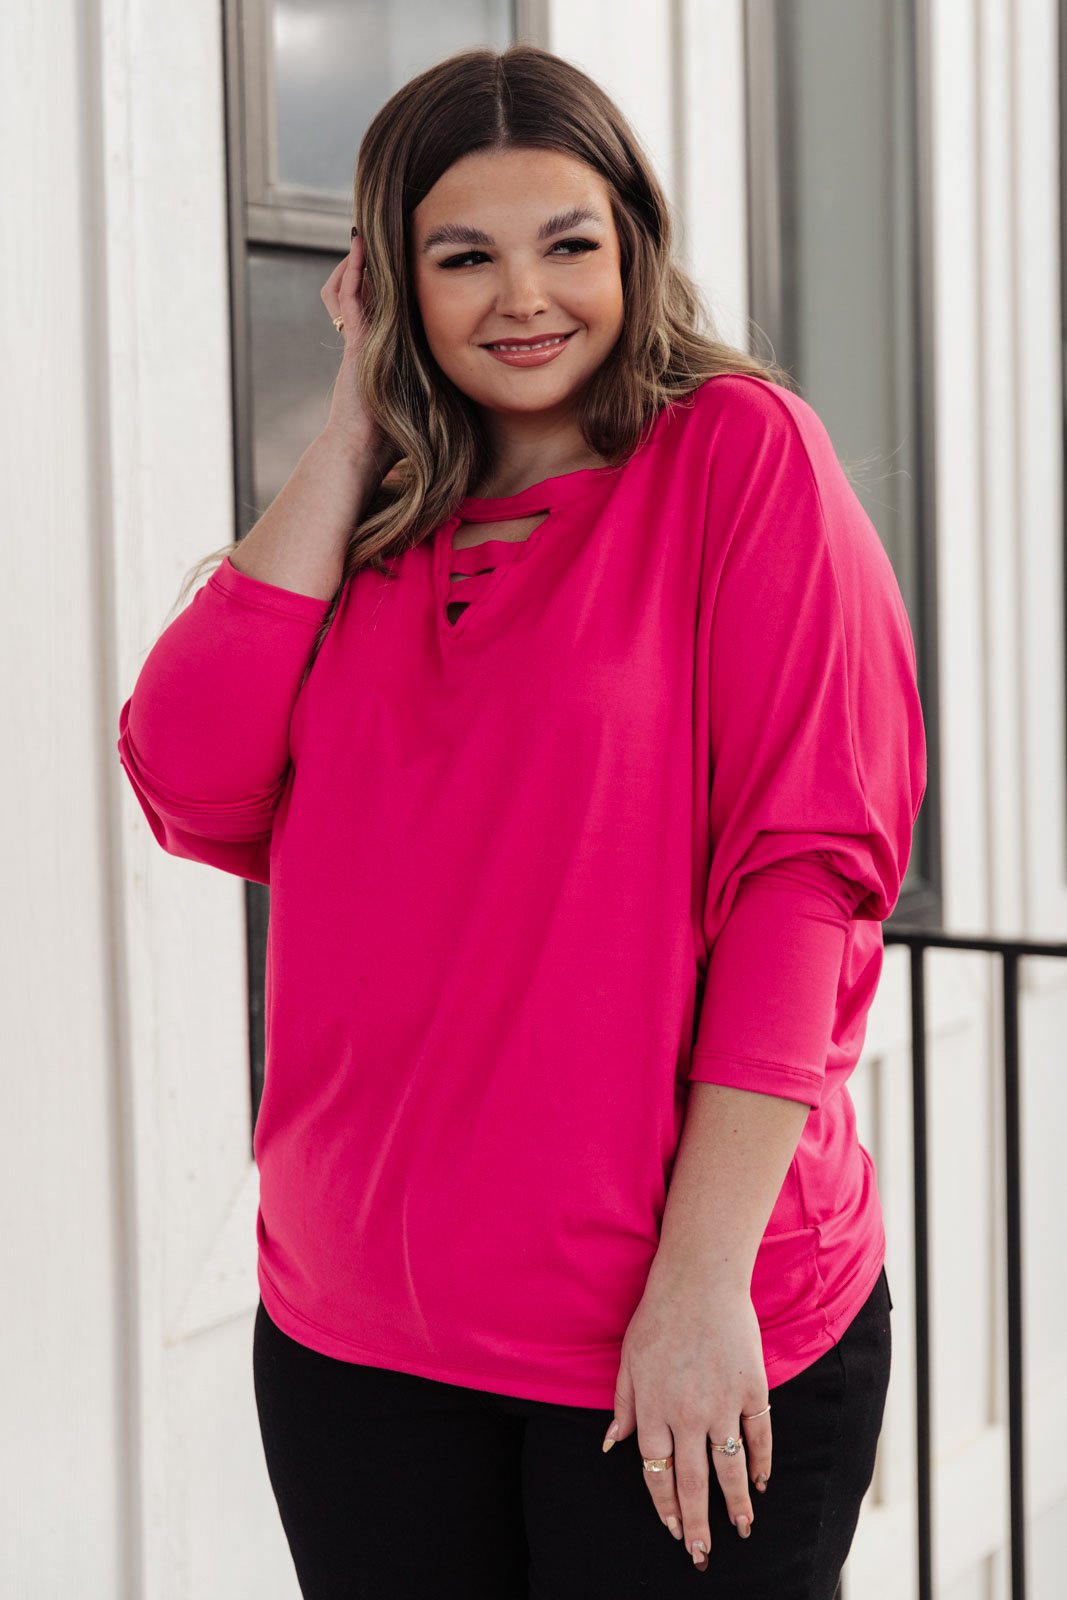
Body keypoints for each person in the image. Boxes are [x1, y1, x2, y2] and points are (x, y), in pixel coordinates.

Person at [116, 43, 926, 1600]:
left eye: (567, 243)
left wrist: (699, 1286)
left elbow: (806, 879)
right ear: (387, 282)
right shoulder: (369, 528)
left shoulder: (736, 455)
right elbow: (190, 779)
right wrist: (355, 429)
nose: (525, 297)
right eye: (463, 258)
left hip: (669, 1330)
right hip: (359, 1341)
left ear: (632, 245)